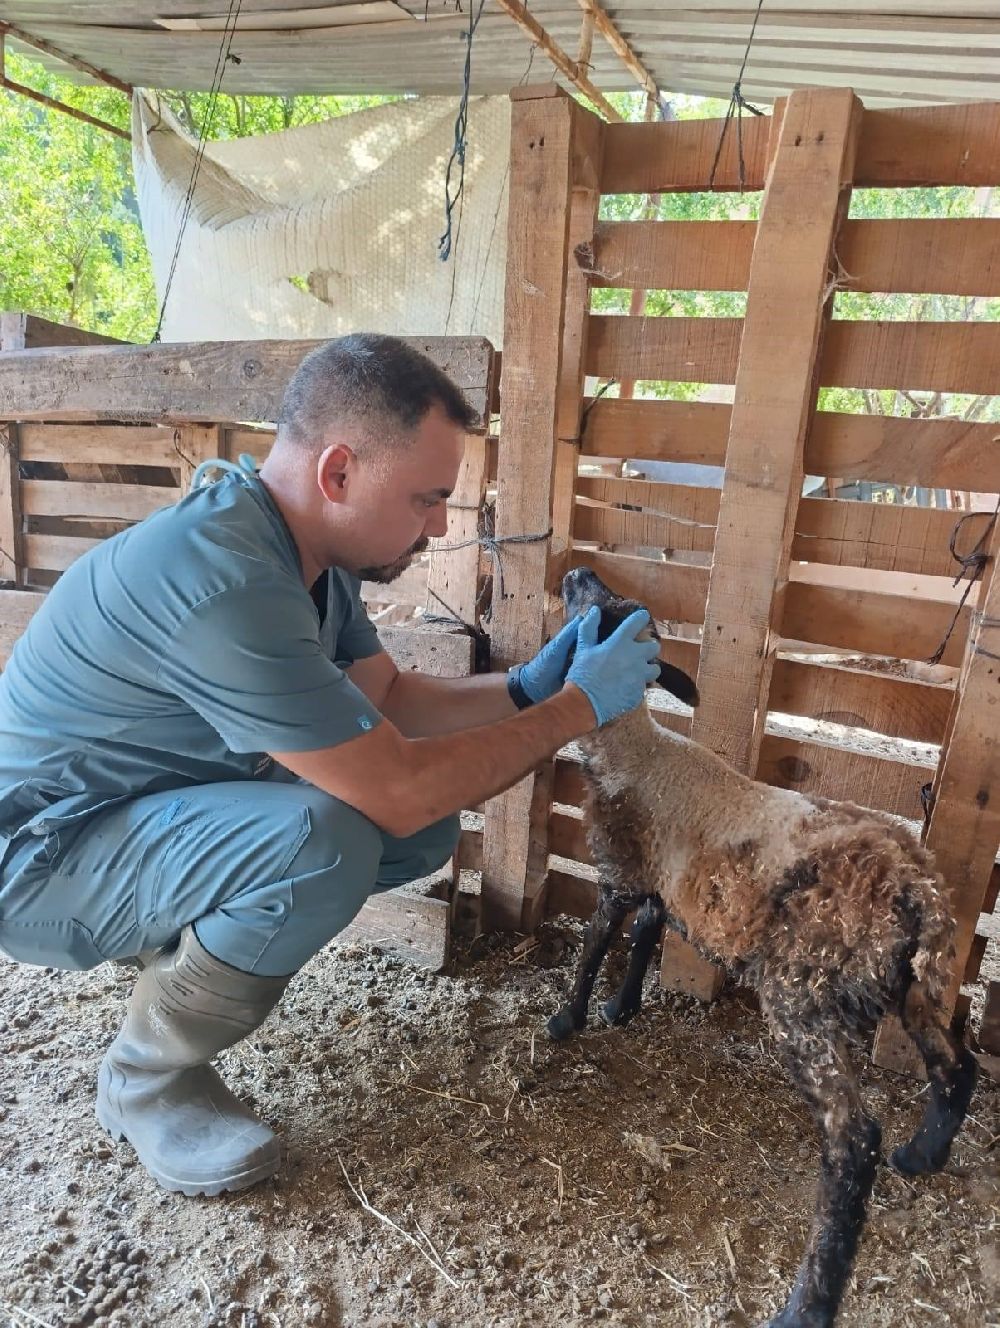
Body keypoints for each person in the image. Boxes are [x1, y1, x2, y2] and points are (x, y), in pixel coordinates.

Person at [0, 334, 660, 1197]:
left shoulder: (305, 553)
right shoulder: (225, 582)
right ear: (338, 472)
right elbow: (395, 787)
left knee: (410, 829)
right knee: (330, 837)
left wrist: (532, 687)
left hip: (135, 810)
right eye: (426, 499)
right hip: (40, 863)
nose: (436, 527)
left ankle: (178, 946)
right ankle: (146, 1080)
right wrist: (578, 710)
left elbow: (387, 701)